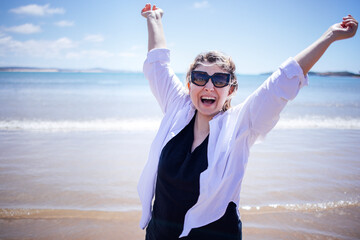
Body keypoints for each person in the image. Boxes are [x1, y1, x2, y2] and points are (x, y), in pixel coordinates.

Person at [138, 3, 358, 240]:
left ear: (231, 90)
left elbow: (280, 83)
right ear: (190, 84)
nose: (209, 86)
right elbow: (158, 64)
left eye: (219, 79)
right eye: (200, 77)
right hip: (160, 234)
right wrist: (154, 18)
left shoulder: (241, 124)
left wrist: (330, 36)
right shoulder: (177, 108)